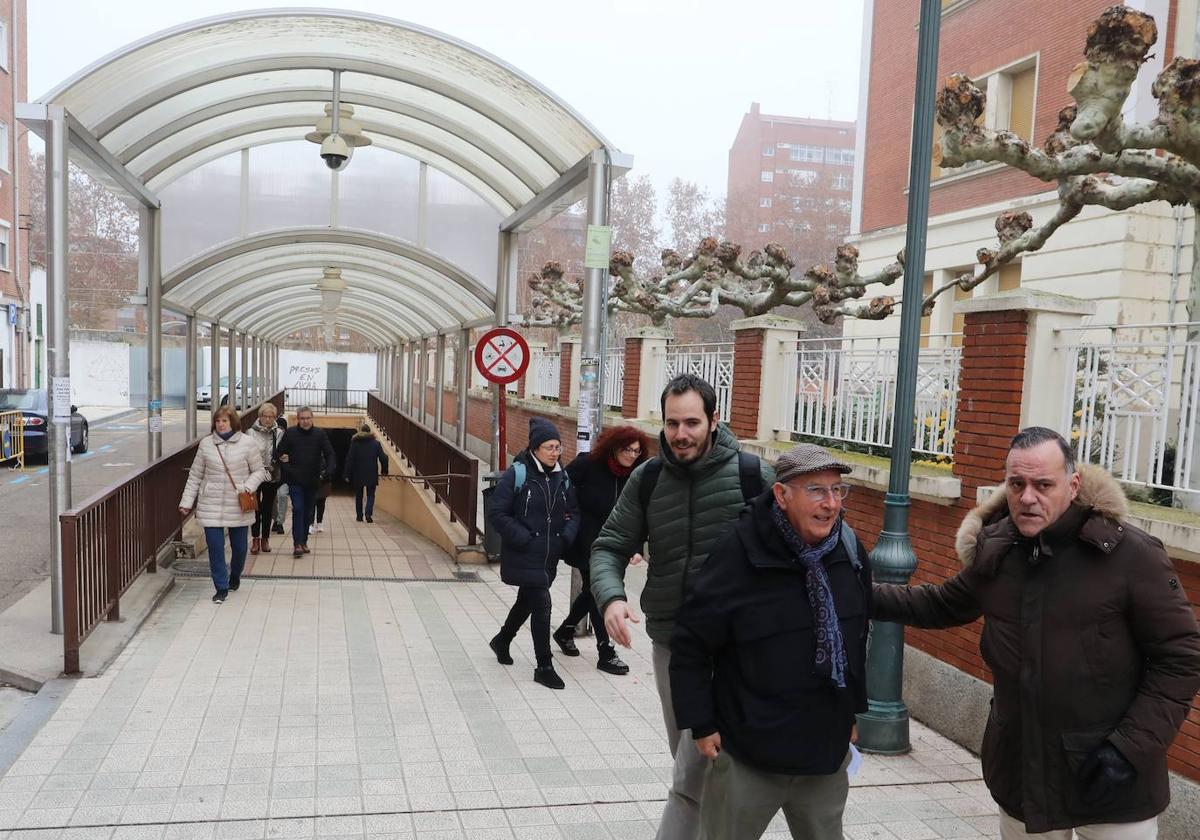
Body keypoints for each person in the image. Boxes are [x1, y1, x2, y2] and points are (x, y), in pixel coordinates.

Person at [873, 427, 1200, 839]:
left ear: (1073, 484)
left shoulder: (1130, 555)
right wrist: (854, 593)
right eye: (1017, 484)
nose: (1028, 497)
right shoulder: (997, 551)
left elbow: (1181, 658)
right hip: (1022, 775)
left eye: (1044, 484)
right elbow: (940, 604)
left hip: (1113, 779)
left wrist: (1129, 749)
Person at [590, 373, 774, 840]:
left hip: (741, 651)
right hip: (673, 645)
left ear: (714, 420)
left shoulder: (752, 476)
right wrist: (612, 597)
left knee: (697, 771)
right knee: (691, 756)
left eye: (692, 422)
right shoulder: (649, 478)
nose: (681, 434)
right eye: (672, 423)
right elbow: (609, 545)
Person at [670, 443, 868, 840]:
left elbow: (854, 636)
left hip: (822, 753)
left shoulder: (847, 549)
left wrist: (852, 712)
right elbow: (692, 641)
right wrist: (702, 724)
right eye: (816, 490)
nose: (830, 504)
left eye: (836, 490)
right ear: (782, 496)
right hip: (749, 753)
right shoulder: (740, 551)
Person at [487, 417, 580, 690]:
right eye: (550, 447)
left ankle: (502, 640)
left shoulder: (562, 476)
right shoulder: (518, 474)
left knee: (527, 601)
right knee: (542, 602)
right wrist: (522, 536)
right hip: (524, 551)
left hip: (549, 554)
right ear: (536, 448)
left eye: (558, 447)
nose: (555, 453)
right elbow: (497, 512)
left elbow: (574, 512)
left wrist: (566, 537)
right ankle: (544, 666)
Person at [553, 424, 652, 675]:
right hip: (586, 539)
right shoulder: (589, 464)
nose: (631, 455)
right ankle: (605, 651)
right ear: (613, 448)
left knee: (591, 590)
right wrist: (567, 518)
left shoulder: (636, 475)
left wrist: (638, 546)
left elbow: (639, 514)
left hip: (615, 543)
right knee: (600, 593)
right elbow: (561, 486)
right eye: (627, 450)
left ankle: (565, 631)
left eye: (636, 451)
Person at [178, 405, 270, 603]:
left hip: (238, 502)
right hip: (210, 503)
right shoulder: (206, 444)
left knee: (239, 548)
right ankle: (221, 587)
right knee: (215, 546)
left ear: (233, 422)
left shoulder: (247, 443)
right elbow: (195, 475)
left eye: (224, 421)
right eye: (218, 421)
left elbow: (259, 471)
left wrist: (247, 487)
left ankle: (235, 575)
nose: (220, 424)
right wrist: (186, 502)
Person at [276, 406, 335, 558]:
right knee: (298, 509)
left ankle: (304, 541)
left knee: (308, 512)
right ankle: (297, 544)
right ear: (298, 419)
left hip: (313, 480)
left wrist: (327, 471)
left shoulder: (320, 434)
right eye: (302, 418)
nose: (305, 421)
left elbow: (330, 454)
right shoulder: (290, 434)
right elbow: (279, 453)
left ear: (312, 418)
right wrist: (287, 467)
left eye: (308, 418)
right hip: (295, 480)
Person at [247, 402, 284, 555]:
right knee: (254, 507)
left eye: (271, 416)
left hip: (272, 474)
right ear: (260, 416)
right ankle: (255, 538)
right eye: (265, 416)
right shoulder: (250, 432)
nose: (268, 419)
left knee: (268, 507)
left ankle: (265, 538)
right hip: (254, 473)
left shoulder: (279, 432)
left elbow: (282, 451)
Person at [344, 422, 389, 523]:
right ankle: (368, 514)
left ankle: (359, 516)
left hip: (358, 473)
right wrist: (384, 471)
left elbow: (350, 459)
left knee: (359, 495)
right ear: (369, 432)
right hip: (371, 473)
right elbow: (384, 458)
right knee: (371, 495)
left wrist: (347, 474)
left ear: (360, 432)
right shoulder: (376, 444)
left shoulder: (355, 443)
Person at [272, 413, 289, 535]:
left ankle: (280, 522)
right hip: (273, 473)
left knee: (282, 496)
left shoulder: (289, 440)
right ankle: (275, 519)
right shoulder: (271, 438)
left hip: (285, 475)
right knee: (273, 499)